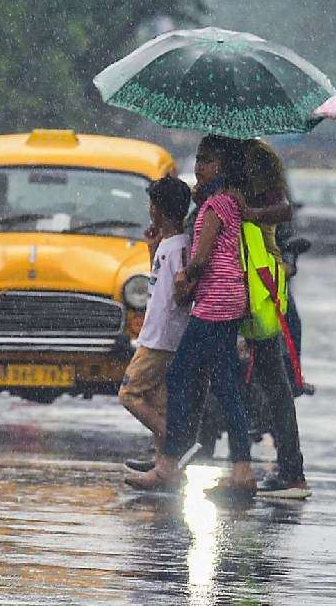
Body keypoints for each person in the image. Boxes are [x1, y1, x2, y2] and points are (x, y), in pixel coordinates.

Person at [127, 135, 255, 498]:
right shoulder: (228, 202)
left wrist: (186, 277)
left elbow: (200, 258)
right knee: (226, 385)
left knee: (181, 374)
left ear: (222, 168)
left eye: (207, 161)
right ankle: (241, 469)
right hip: (228, 300)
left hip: (215, 302)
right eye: (198, 160)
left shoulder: (216, 207)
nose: (199, 167)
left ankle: (169, 462)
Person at [236, 139, 309, 498]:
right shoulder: (220, 155)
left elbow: (282, 210)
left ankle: (289, 469)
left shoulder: (257, 158)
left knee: (275, 373)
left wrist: (250, 213)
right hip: (226, 281)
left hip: (257, 279)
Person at [119, 175, 192, 472]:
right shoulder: (170, 244)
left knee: (129, 394)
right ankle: (165, 466)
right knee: (158, 400)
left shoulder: (178, 248)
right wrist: (152, 248)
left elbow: (179, 293)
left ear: (158, 209)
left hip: (160, 338)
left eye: (152, 204)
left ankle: (176, 443)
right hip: (160, 334)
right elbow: (158, 281)